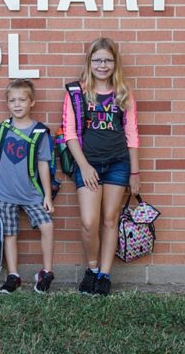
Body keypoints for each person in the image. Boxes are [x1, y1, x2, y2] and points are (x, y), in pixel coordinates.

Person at [62, 37, 140, 296]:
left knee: (109, 219)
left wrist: (135, 172)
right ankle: (92, 269)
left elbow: (132, 133)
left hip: (118, 164)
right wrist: (83, 165)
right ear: (89, 62)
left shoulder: (123, 93)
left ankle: (105, 275)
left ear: (115, 63)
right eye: (97, 60)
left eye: (107, 60)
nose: (102, 65)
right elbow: (70, 134)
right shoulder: (76, 93)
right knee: (88, 221)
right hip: (88, 165)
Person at [0, 78, 55, 294]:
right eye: (12, 100)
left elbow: (44, 164)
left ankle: (46, 272)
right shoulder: (2, 129)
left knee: (47, 226)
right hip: (4, 193)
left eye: (22, 100)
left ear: (31, 102)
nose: (17, 104)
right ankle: (13, 275)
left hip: (32, 193)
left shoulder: (39, 132)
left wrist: (47, 196)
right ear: (7, 103)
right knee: (10, 234)